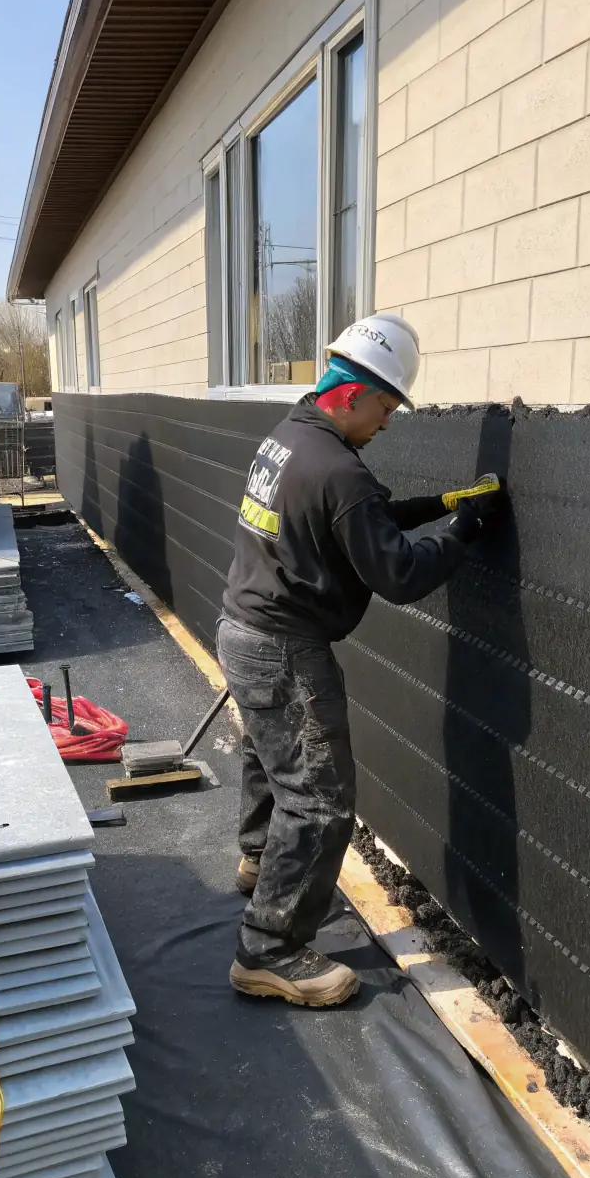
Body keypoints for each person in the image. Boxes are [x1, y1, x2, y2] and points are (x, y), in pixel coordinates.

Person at [217, 313, 504, 1007]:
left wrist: (434, 504)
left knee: (270, 754)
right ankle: (269, 949)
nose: (387, 423)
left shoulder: (292, 438)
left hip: (242, 627)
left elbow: (353, 518)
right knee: (319, 800)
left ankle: (260, 859)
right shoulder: (338, 469)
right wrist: (464, 529)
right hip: (284, 648)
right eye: (384, 407)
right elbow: (398, 573)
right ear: (352, 394)